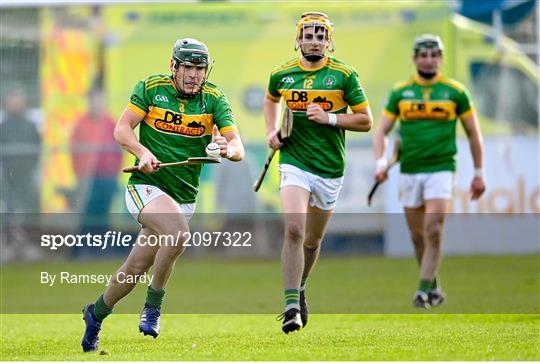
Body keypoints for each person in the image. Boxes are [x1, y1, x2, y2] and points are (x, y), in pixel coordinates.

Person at [81, 38, 244, 352]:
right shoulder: (151, 88)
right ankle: (153, 307)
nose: (195, 75)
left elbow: (235, 145)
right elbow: (122, 129)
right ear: (174, 66)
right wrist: (141, 152)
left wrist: (227, 148)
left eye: (200, 68)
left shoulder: (214, 98)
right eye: (189, 67)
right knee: (178, 233)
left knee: (133, 270)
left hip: (183, 197)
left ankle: (96, 313)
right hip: (145, 188)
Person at [264, 12, 372, 333]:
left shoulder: (344, 76)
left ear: (329, 41)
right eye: (309, 36)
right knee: (295, 230)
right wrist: (272, 131)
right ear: (298, 40)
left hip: (329, 168)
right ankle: (290, 307)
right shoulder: (281, 74)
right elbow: (271, 101)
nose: (315, 41)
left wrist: (331, 119)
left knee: (312, 241)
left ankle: (301, 286)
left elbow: (365, 120)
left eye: (320, 36)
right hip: (294, 161)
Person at [373, 34, 486, 309]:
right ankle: (434, 286)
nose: (428, 59)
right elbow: (381, 132)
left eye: (434, 54)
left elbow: (473, 133)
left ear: (441, 58)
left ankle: (422, 291)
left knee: (433, 227)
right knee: (417, 236)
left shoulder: (455, 92)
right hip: (410, 170)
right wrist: (381, 163)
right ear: (414, 58)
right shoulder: (401, 92)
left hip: (441, 168)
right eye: (423, 55)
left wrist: (479, 172)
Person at [70, 87, 123, 257]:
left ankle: (101, 249)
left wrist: (114, 173)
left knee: (103, 214)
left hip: (107, 178)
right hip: (87, 178)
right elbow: (74, 151)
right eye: (93, 100)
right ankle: (83, 250)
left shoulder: (110, 123)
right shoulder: (81, 124)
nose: (97, 104)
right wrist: (80, 173)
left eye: (100, 100)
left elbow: (120, 149)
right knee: (87, 213)